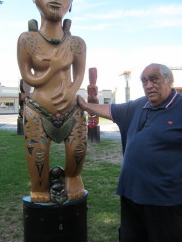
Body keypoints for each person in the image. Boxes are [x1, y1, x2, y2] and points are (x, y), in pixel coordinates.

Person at [78, 63, 182, 242]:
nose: (148, 85)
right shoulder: (138, 105)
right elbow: (109, 110)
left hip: (165, 201)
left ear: (169, 81)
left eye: (153, 79)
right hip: (130, 195)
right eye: (144, 81)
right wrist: (84, 105)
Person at [17, 0, 87, 203]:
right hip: (38, 110)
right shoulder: (27, 39)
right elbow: (28, 77)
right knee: (38, 166)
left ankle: (73, 177)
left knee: (77, 152)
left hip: (71, 110)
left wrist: (71, 90)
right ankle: (39, 185)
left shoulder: (77, 43)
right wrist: (56, 67)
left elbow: (78, 76)